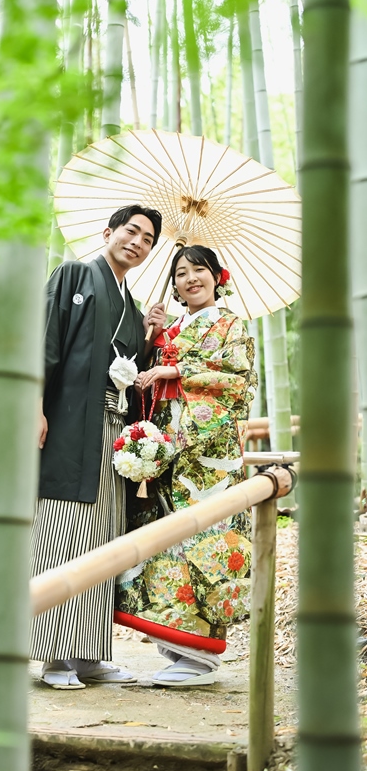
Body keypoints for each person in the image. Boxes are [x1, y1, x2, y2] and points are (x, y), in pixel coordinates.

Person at [32, 204, 167, 689]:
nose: (138, 242)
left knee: (104, 535)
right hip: (71, 424)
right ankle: (55, 657)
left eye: (147, 239)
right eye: (131, 231)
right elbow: (45, 342)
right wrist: (35, 406)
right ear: (108, 231)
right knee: (63, 529)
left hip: (113, 432)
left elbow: (129, 371)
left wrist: (150, 337)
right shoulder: (73, 275)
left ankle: (89, 654)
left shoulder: (133, 305)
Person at [115, 244, 257, 688]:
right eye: (181, 273)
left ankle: (203, 657)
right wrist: (151, 339)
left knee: (205, 541)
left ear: (217, 276)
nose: (190, 278)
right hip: (166, 452)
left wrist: (177, 372)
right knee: (164, 544)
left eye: (199, 270)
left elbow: (240, 383)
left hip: (208, 459)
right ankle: (177, 649)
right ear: (174, 284)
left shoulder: (231, 325)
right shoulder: (171, 328)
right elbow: (143, 382)